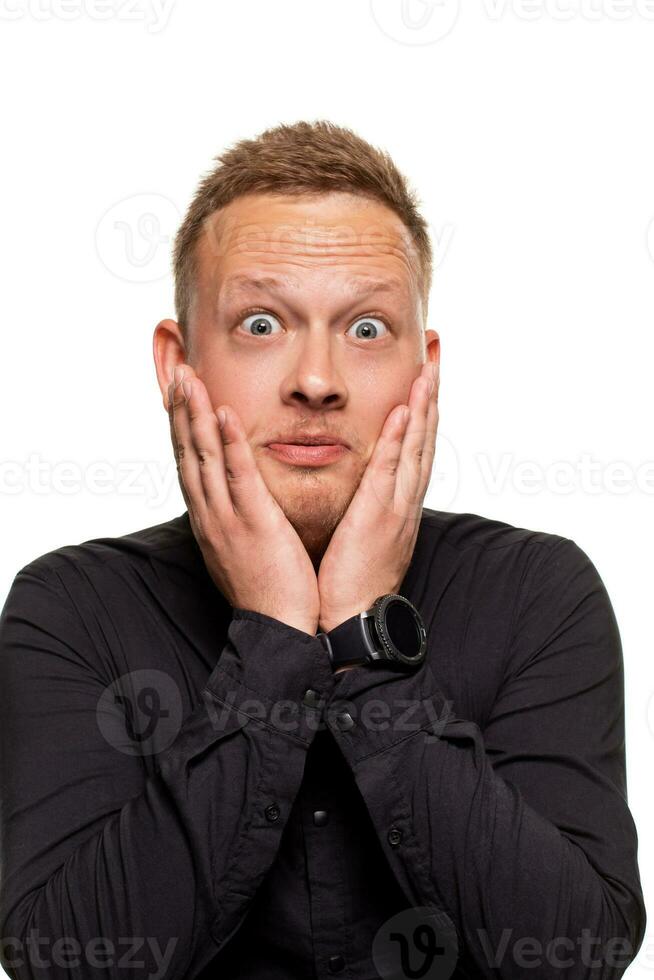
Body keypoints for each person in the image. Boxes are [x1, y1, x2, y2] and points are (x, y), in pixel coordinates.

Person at [0, 120, 645, 980]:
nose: (316, 379)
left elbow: (576, 952)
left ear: (428, 368)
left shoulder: (539, 593)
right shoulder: (70, 609)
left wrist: (362, 635)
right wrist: (273, 632)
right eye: (262, 323)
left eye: (368, 329)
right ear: (177, 364)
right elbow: (61, 959)